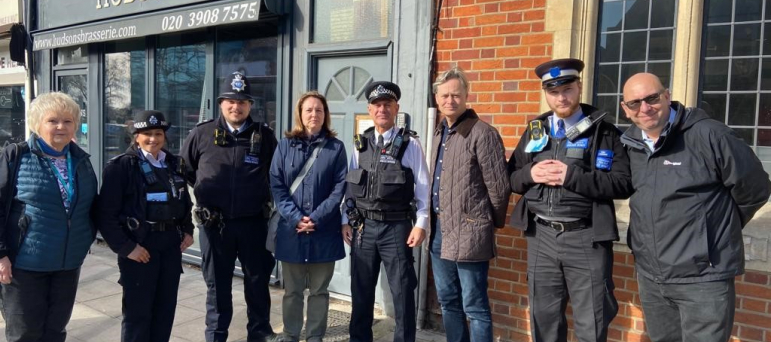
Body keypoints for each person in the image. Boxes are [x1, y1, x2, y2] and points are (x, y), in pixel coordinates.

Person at [619, 73, 771, 342]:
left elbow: (755, 187)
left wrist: (711, 231)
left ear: (667, 96)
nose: (645, 108)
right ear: (625, 109)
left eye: (652, 98)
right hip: (653, 278)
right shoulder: (631, 145)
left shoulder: (710, 134)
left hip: (703, 278)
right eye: (635, 103)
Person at [508, 58, 633, 342]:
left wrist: (572, 177)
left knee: (592, 321)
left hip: (585, 237)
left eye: (567, 89)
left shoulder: (603, 131)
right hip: (541, 236)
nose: (561, 97)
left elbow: (623, 183)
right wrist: (531, 172)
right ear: (546, 93)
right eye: (554, 92)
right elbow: (511, 178)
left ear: (579, 87)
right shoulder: (536, 129)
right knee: (544, 319)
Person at [181, 71, 279, 342]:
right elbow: (186, 171)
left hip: (253, 224)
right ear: (221, 103)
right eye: (231, 101)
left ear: (250, 105)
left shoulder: (265, 136)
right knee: (217, 287)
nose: (236, 107)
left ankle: (259, 334)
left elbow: (277, 175)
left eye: (243, 102)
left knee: (258, 283)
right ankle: (216, 336)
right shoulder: (201, 134)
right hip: (216, 225)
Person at [0, 92, 98, 342]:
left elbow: (91, 208)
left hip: (67, 264)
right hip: (25, 264)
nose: (60, 127)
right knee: (25, 334)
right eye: (52, 120)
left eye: (67, 121)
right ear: (37, 123)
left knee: (55, 331)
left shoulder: (81, 161)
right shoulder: (16, 156)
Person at [342, 81, 429, 342]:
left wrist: (421, 223)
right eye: (377, 105)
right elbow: (350, 187)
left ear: (396, 109)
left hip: (397, 228)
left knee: (402, 293)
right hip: (363, 229)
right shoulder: (361, 143)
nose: (382, 109)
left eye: (387, 105)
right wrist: (345, 220)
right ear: (370, 109)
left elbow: (422, 187)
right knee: (361, 292)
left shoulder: (410, 145)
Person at [97, 110, 195, 342]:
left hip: (169, 247)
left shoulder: (173, 163)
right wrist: (127, 248)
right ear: (136, 137)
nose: (153, 139)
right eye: (147, 134)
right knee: (137, 317)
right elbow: (105, 215)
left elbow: (183, 201)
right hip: (140, 248)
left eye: (158, 133)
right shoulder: (121, 167)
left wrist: (188, 229)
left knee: (164, 312)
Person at [428, 67, 511, 342]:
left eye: (456, 94)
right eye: (445, 95)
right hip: (439, 232)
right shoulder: (439, 133)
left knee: (474, 306)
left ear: (466, 96)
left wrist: (487, 225)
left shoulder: (482, 133)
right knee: (448, 301)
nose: (450, 100)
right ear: (436, 98)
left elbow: (499, 188)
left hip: (471, 232)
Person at [268, 91, 348, 342]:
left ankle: (315, 336)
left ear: (326, 115)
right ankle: (291, 334)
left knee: (319, 291)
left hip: (323, 231)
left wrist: (315, 218)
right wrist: (296, 218)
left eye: (319, 110)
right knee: (291, 291)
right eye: (309, 110)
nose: (314, 114)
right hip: (291, 231)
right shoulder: (284, 146)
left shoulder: (336, 148)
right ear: (300, 115)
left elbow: (339, 188)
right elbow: (277, 186)